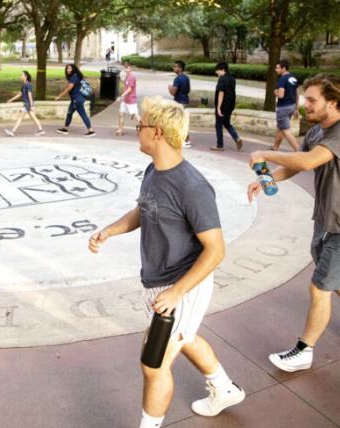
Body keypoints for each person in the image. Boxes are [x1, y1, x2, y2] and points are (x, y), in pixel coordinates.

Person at [90, 96, 245, 427]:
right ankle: (224, 387)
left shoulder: (192, 187)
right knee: (185, 337)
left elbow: (215, 250)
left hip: (183, 285)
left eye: (140, 125)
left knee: (153, 364)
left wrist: (177, 293)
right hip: (157, 282)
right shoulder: (154, 171)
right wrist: (110, 231)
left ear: (156, 132)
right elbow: (144, 210)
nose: (137, 130)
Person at [247, 74, 340, 373]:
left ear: (333, 102)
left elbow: (309, 162)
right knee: (333, 278)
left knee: (320, 286)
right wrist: (266, 179)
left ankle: (304, 351)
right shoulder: (316, 133)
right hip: (325, 221)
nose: (304, 104)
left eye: (311, 99)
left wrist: (262, 153)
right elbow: (297, 162)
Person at [55, 64, 95, 137]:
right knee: (69, 113)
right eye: (67, 69)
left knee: (83, 114)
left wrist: (59, 96)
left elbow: (68, 89)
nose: (68, 70)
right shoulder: (75, 76)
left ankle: (91, 130)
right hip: (75, 99)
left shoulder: (74, 77)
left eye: (70, 68)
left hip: (77, 99)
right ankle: (65, 129)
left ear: (73, 69)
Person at [211, 62, 243, 152]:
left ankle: (219, 145)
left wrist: (218, 108)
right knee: (227, 123)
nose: (216, 73)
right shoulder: (232, 78)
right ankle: (237, 138)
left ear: (222, 70)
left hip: (223, 106)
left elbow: (221, 93)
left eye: (217, 71)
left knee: (218, 125)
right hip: (230, 105)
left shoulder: (222, 79)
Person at [4, 70, 44, 136]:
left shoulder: (28, 85)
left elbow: (30, 95)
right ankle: (41, 130)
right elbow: (20, 94)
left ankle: (13, 131)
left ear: (26, 76)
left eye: (22, 75)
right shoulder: (24, 85)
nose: (21, 76)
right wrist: (11, 100)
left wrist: (32, 105)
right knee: (33, 117)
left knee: (20, 117)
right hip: (27, 104)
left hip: (27, 104)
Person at [272, 59, 300, 151]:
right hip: (291, 106)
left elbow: (281, 95)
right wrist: (297, 109)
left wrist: (275, 92)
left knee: (286, 130)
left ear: (283, 68)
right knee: (280, 127)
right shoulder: (294, 78)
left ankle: (299, 151)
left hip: (283, 107)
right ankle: (275, 147)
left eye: (277, 68)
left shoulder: (282, 79)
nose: (276, 70)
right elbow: (297, 94)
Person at [168, 60, 192, 148]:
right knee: (180, 122)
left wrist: (170, 88)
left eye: (175, 67)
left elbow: (173, 93)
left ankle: (186, 141)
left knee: (179, 122)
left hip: (179, 102)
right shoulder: (186, 78)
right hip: (185, 101)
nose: (173, 68)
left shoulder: (177, 79)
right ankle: (184, 140)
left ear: (180, 68)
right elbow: (188, 90)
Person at [115, 61, 140, 136]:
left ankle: (143, 129)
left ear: (130, 68)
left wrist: (121, 96)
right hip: (125, 100)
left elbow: (129, 89)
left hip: (131, 100)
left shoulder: (131, 77)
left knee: (136, 116)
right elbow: (125, 87)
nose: (125, 69)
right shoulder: (127, 76)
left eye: (127, 68)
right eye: (125, 68)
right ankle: (120, 130)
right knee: (120, 114)